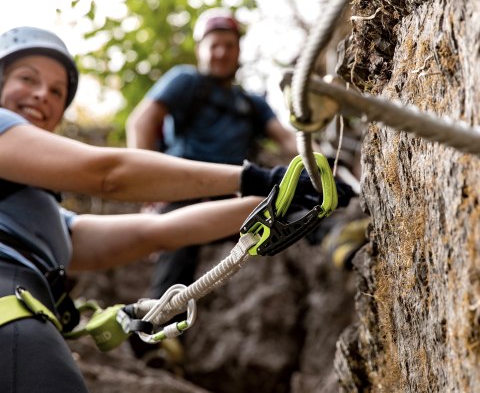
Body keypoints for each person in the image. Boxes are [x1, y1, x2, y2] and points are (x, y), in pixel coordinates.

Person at [0, 25, 353, 392]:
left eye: (57, 90)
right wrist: (253, 179)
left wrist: (280, 196)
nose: (43, 95)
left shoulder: (40, 215)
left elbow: (157, 232)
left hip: (27, 321)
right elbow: (107, 173)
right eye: (28, 79)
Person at [125, 8, 300, 359]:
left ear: (238, 52)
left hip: (232, 192)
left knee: (290, 211)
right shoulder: (185, 81)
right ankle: (156, 337)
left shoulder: (250, 103)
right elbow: (142, 121)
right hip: (182, 186)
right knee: (178, 244)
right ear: (201, 49)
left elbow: (286, 138)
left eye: (229, 46)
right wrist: (148, 185)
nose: (221, 52)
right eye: (214, 45)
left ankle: (335, 239)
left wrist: (317, 154)